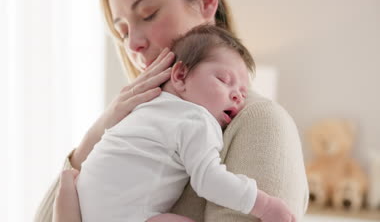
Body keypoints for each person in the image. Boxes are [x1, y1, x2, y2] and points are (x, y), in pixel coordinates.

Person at [34, 0, 308, 221]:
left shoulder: (259, 123)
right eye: (123, 33)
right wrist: (98, 132)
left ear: (206, 1)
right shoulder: (134, 125)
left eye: (149, 14)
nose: (133, 45)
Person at [52, 24, 297, 222]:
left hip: (80, 203)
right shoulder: (197, 118)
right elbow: (209, 180)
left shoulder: (143, 107)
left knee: (68, 179)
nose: (237, 95)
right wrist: (264, 205)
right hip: (126, 216)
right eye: (224, 80)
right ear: (180, 76)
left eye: (243, 92)